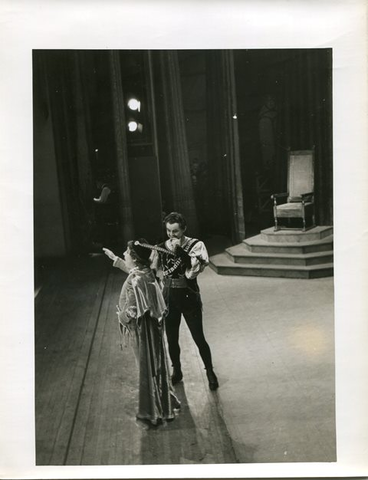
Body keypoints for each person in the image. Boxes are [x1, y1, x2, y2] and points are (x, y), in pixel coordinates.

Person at [103, 239, 180, 427]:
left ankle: (155, 411)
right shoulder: (147, 273)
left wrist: (120, 315)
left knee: (147, 369)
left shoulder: (136, 280)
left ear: (135, 259)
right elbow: (133, 272)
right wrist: (116, 259)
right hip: (153, 330)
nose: (124, 254)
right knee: (156, 366)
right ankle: (167, 402)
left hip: (141, 332)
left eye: (127, 253)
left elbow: (131, 312)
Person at [151, 212, 219, 391]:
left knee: (199, 338)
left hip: (188, 297)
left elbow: (194, 270)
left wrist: (179, 251)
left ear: (184, 229)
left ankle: (210, 372)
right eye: (168, 231)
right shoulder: (160, 247)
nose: (171, 236)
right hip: (169, 297)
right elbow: (154, 271)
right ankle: (177, 371)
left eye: (175, 232)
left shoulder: (195, 245)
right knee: (171, 339)